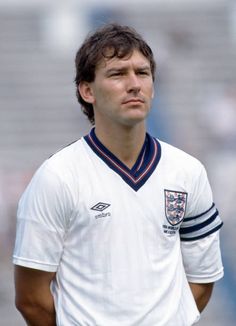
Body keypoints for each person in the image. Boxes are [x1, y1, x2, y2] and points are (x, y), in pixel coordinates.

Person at [13, 23, 224, 326]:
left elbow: (202, 280)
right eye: (117, 74)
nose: (134, 84)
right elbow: (31, 300)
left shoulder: (188, 172)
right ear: (87, 91)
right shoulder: (56, 177)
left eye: (142, 73)